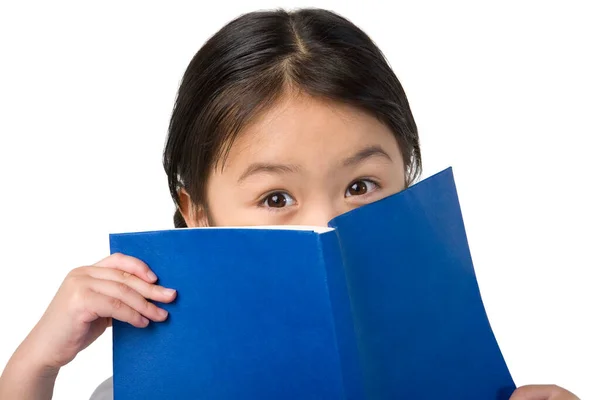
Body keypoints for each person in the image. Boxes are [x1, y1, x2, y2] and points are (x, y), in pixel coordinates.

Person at [0, 8, 579, 400]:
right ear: (197, 212)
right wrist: (34, 367)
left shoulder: (458, 379)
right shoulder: (150, 389)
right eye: (276, 197)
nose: (328, 225)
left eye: (361, 186)